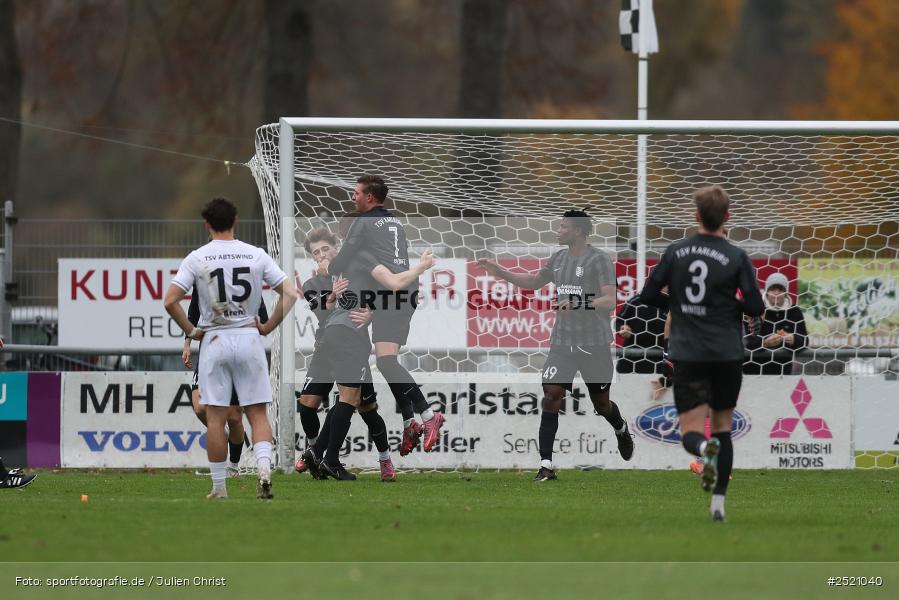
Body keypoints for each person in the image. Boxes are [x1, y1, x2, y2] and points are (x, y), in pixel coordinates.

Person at [636, 185, 764, 522]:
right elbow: (755, 306)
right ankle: (718, 504)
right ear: (727, 217)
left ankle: (703, 450)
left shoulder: (677, 251)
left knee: (690, 430)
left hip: (689, 354)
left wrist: (679, 304)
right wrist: (726, 306)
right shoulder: (736, 257)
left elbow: (647, 295)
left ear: (696, 216)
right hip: (726, 354)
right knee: (723, 427)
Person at [478, 209, 634, 482]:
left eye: (562, 227)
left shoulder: (599, 260)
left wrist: (579, 303)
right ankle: (546, 466)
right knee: (551, 396)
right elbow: (533, 282)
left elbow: (610, 301)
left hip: (593, 345)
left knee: (602, 405)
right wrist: (500, 272)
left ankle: (620, 428)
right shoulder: (559, 258)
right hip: (562, 343)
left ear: (577, 231)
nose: (557, 231)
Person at [164, 197, 298, 499]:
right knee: (258, 415)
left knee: (215, 417)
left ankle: (219, 488)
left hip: (214, 339)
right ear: (235, 221)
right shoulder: (256, 254)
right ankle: (264, 470)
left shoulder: (198, 257)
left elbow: (170, 300)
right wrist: (267, 326)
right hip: (249, 337)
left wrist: (191, 331)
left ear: (207, 224)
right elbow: (290, 293)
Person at [294, 226, 429, 482]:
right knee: (308, 406)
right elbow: (322, 312)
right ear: (312, 258)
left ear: (336, 248)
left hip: (351, 342)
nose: (322, 255)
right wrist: (333, 294)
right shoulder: (313, 283)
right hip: (325, 347)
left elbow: (380, 295)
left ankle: (384, 461)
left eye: (326, 249)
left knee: (366, 408)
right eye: (316, 253)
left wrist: (373, 313)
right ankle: (318, 454)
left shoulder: (355, 267)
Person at [327, 176, 443, 455]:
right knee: (387, 361)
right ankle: (409, 421)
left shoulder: (363, 225)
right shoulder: (394, 222)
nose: (353, 197)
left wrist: (334, 266)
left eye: (356, 193)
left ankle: (428, 416)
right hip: (399, 292)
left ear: (369, 198)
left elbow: (340, 262)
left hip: (394, 291)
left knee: (387, 361)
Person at [182, 286, 268, 476]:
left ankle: (233, 467)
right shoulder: (205, 274)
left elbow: (263, 318)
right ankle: (222, 434)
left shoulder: (247, 276)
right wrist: (187, 342)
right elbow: (193, 310)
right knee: (199, 406)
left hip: (239, 353)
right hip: (211, 350)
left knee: (234, 416)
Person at [743, 272, 807, 375]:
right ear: (767, 291)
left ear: (786, 292)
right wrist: (764, 343)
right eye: (773, 289)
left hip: (782, 373)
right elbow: (746, 340)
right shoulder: (755, 308)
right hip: (753, 371)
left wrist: (794, 339)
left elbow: (805, 340)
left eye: (780, 289)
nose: (776, 293)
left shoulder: (794, 311)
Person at [616, 295, 669, 401]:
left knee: (652, 403)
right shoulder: (638, 300)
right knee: (625, 401)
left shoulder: (674, 303)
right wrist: (622, 329)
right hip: (630, 361)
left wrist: (667, 380)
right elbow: (620, 320)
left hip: (658, 364)